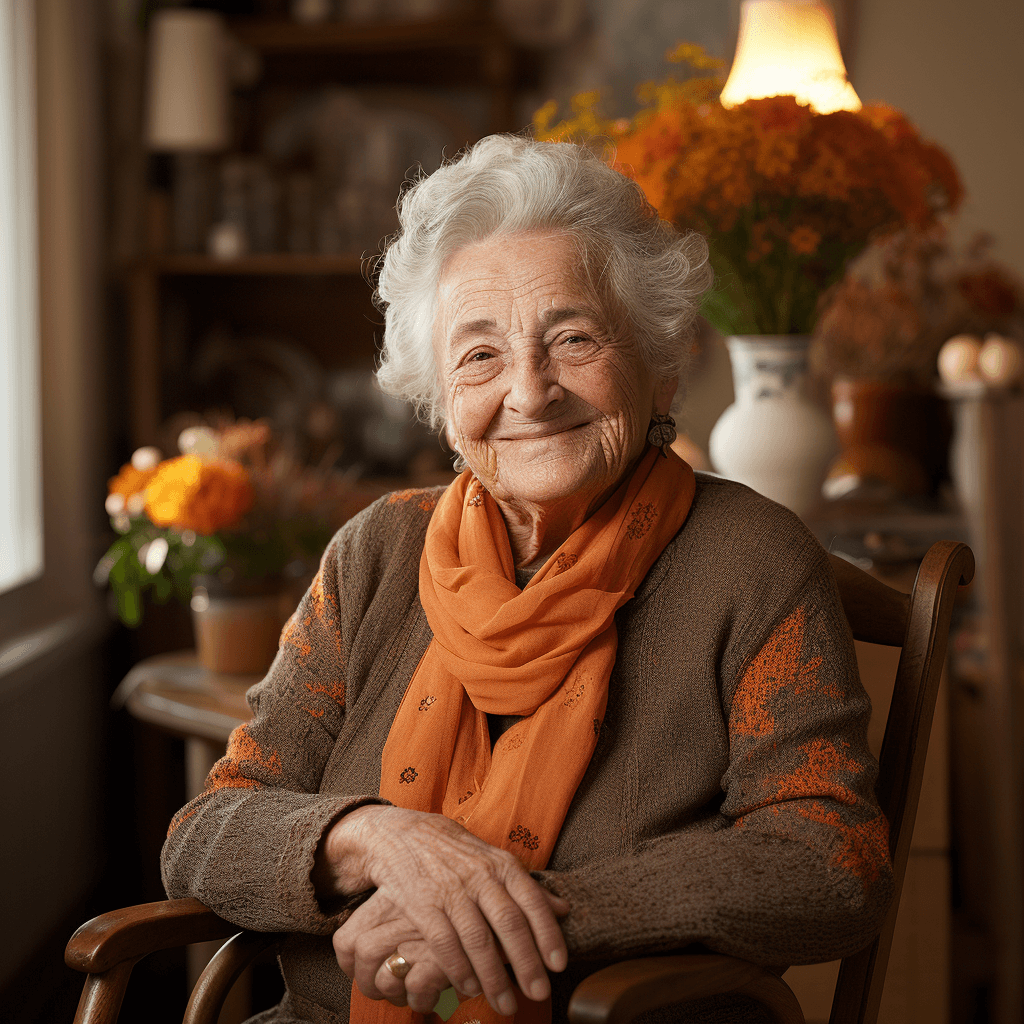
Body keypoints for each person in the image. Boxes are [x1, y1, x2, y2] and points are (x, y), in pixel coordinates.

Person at [162, 135, 894, 1024]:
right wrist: (377, 839)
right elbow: (208, 833)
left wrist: (525, 911)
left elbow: (828, 858)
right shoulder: (377, 552)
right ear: (439, 400)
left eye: (574, 338)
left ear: (661, 368)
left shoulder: (753, 559)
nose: (531, 391)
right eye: (479, 355)